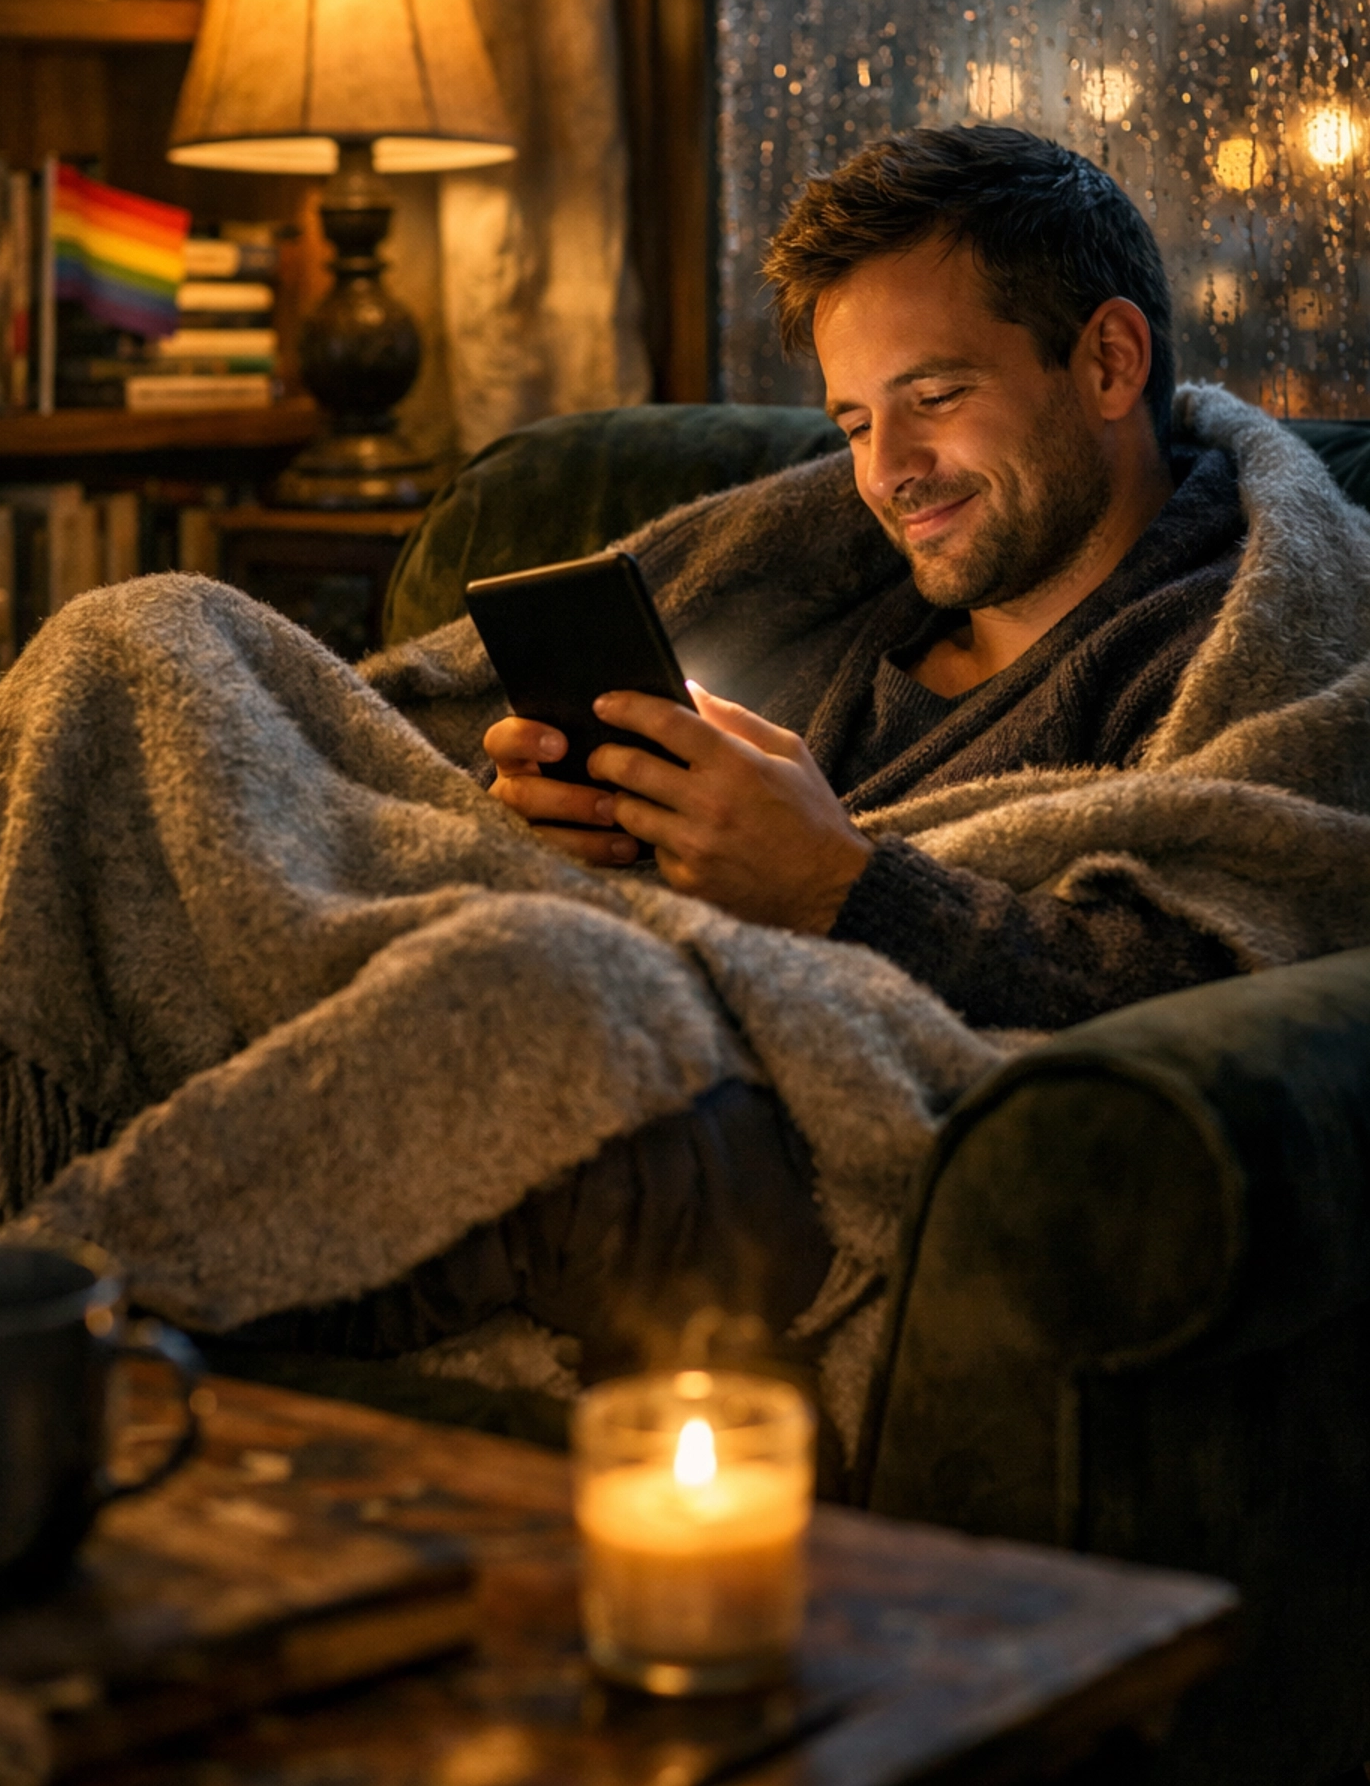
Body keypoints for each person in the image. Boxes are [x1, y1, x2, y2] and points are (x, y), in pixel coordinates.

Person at [225, 124, 1252, 1385]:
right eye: (855, 420)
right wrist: (560, 831)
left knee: (526, 997)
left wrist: (839, 888)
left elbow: (1202, 994)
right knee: (163, 642)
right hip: (633, 1027)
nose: (889, 476)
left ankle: (100, 1334)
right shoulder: (837, 609)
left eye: (934, 400)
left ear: (1107, 360)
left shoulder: (1226, 654)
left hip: (817, 1136)